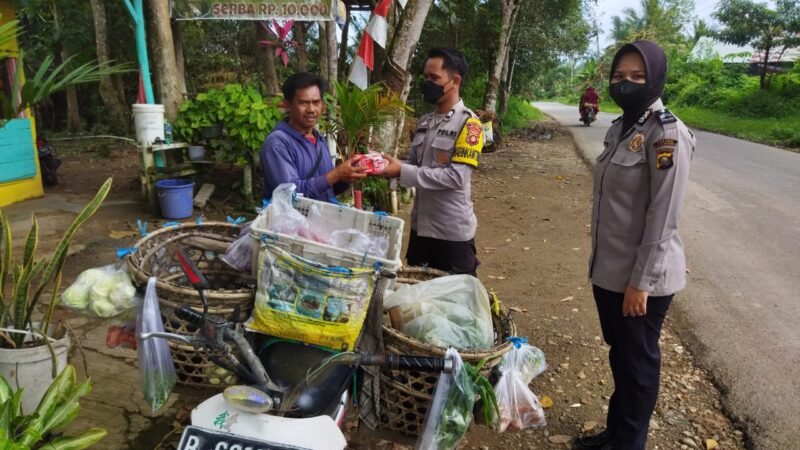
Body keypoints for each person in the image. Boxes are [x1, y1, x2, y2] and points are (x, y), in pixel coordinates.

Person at [574, 41, 696, 450]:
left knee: (638, 364)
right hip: (609, 272)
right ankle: (617, 433)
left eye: (637, 77)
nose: (625, 84)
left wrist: (640, 283)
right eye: (619, 76)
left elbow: (663, 216)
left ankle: (629, 444)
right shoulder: (618, 128)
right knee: (621, 356)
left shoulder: (666, 133)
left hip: (642, 280)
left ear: (656, 78)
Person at [380, 48, 484, 276]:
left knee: (456, 302)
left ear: (455, 81)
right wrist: (389, 168)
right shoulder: (425, 122)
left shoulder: (469, 125)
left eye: (434, 78)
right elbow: (413, 166)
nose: (428, 83)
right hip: (421, 229)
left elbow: (457, 178)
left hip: (452, 234)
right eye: (426, 77)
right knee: (418, 300)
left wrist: (403, 170)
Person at [260, 72, 365, 201]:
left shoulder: (320, 141)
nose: (311, 109)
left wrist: (348, 175)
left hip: (322, 218)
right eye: (303, 103)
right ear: (287, 105)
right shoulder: (277, 143)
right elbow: (289, 194)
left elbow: (327, 190)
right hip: (292, 221)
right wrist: (335, 175)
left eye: (316, 102)